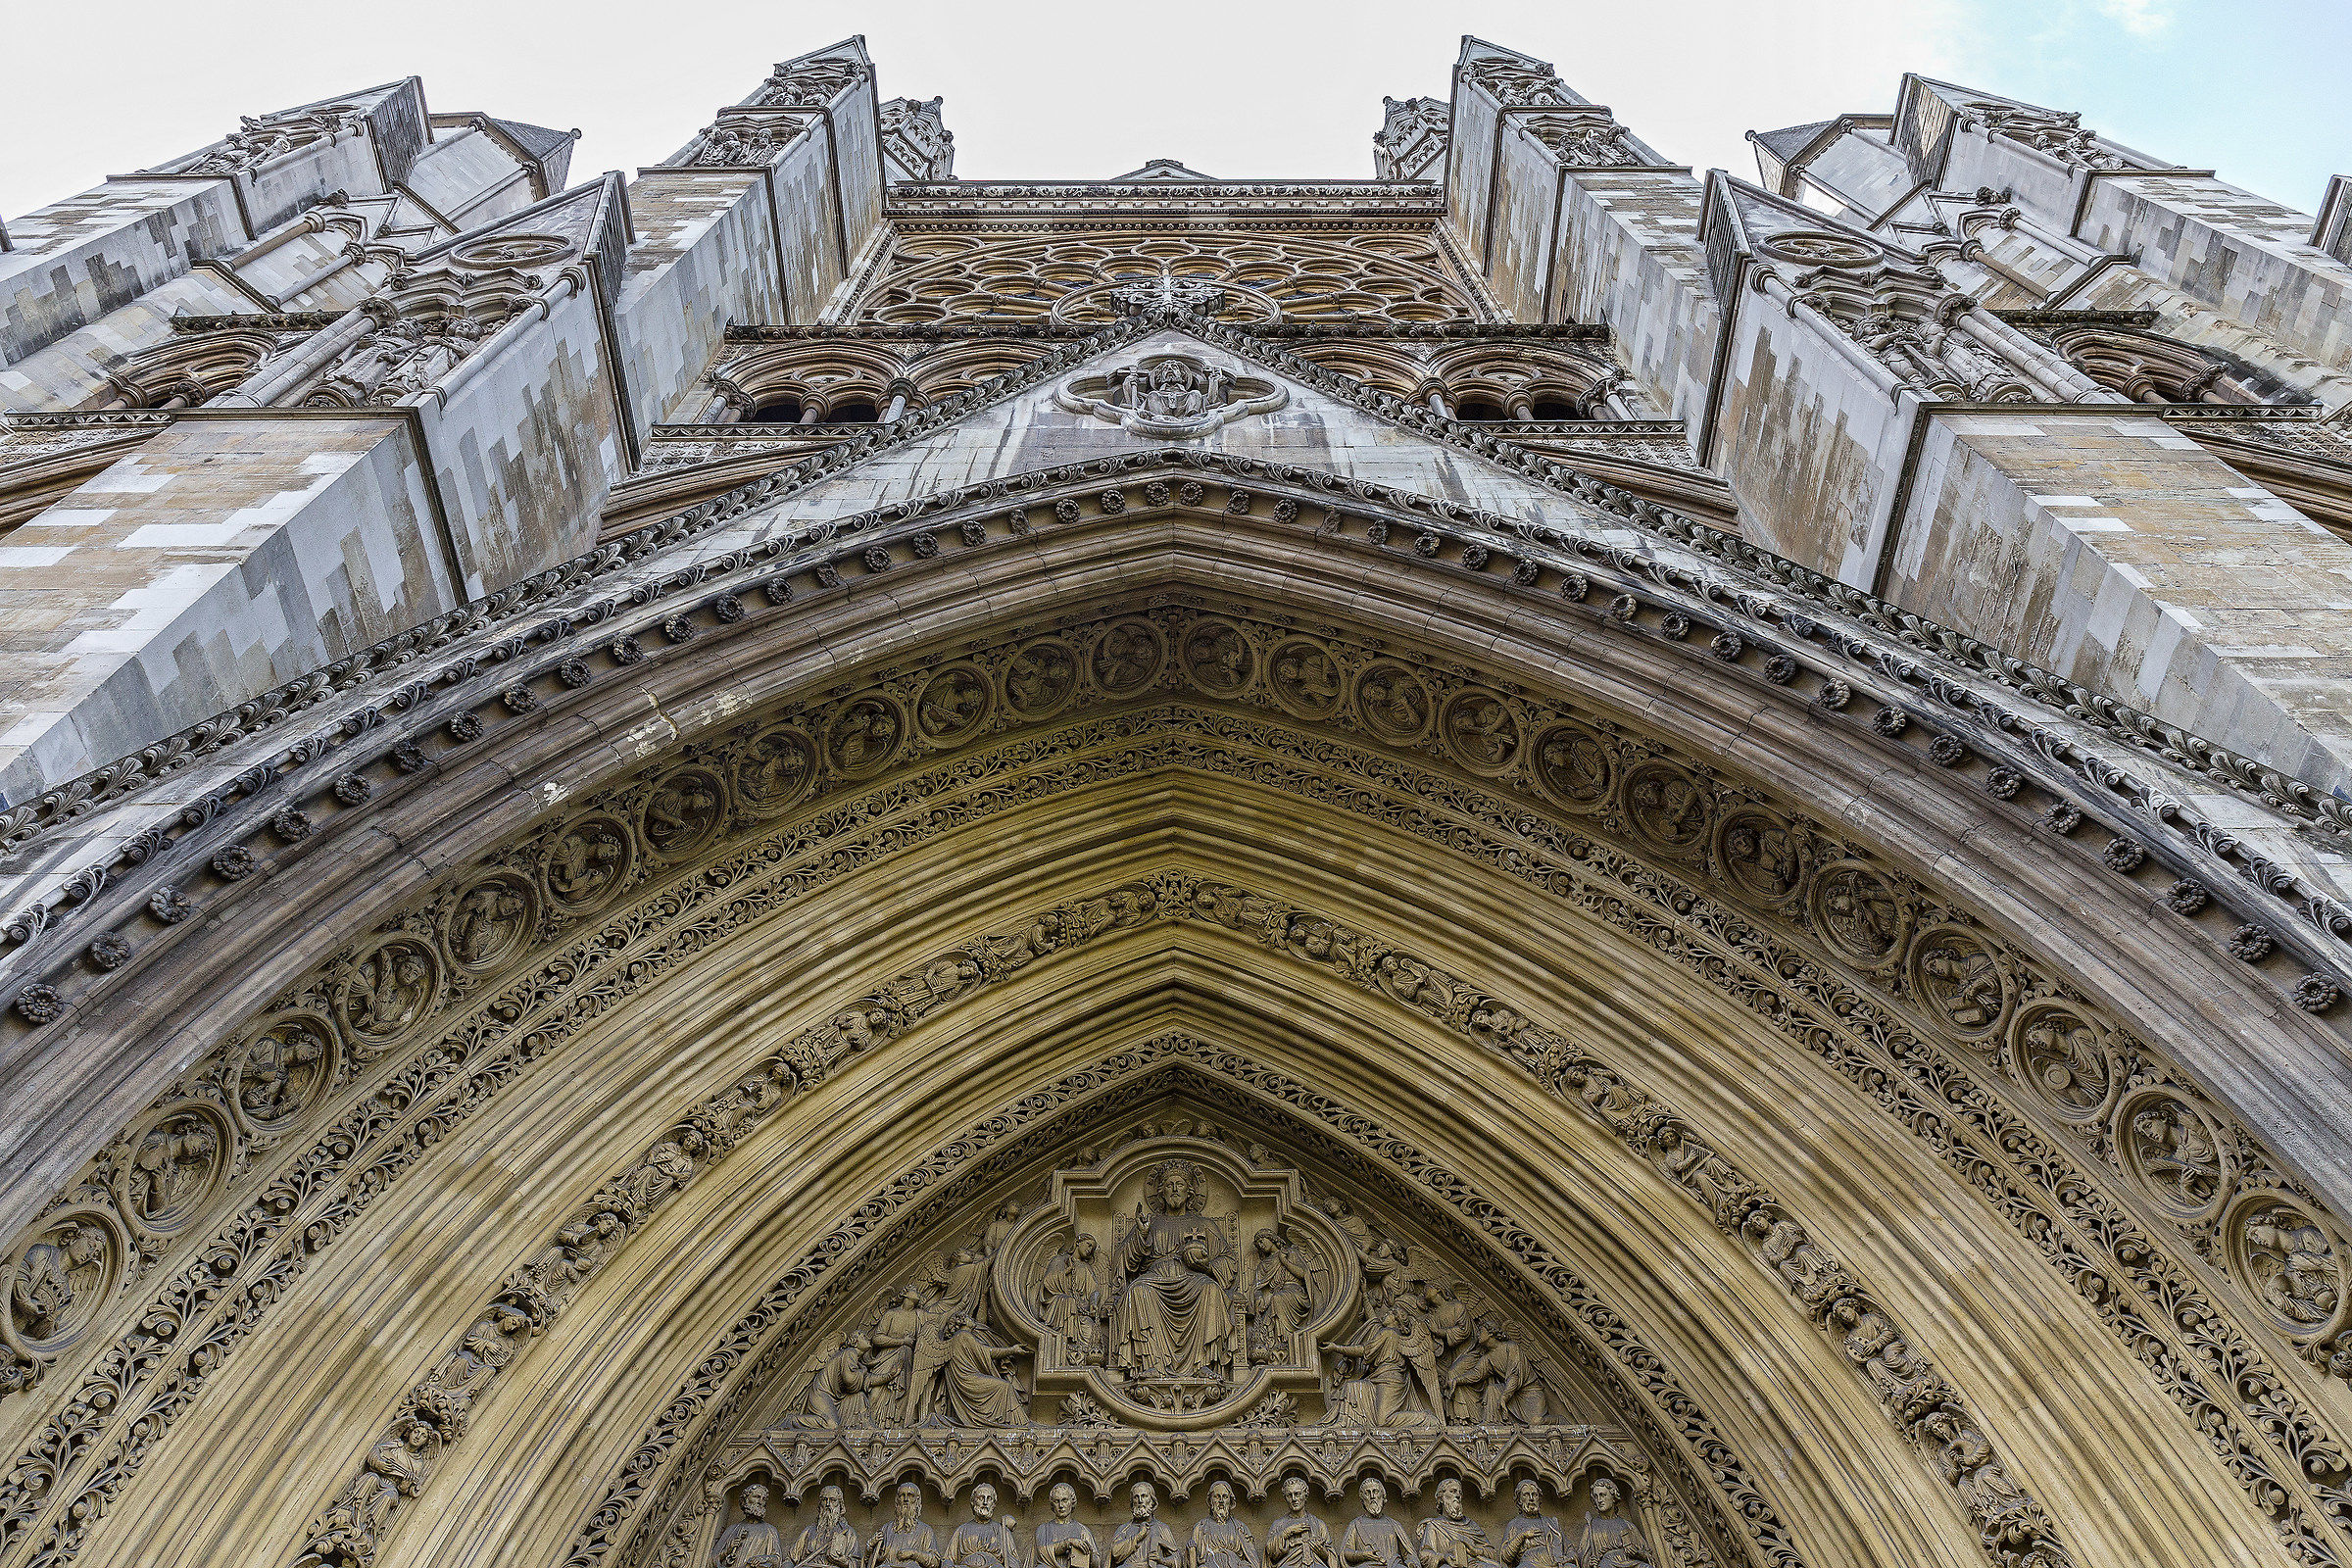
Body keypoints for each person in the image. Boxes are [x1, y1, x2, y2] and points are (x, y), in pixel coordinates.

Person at [1110, 1161, 1237, 1382]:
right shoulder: (1150, 1222)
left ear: (1189, 1193)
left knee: (1211, 1289)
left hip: (1192, 1278)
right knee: (1137, 1291)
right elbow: (1124, 1260)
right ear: (1161, 1192)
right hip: (1155, 1277)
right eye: (1169, 1185)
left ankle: (1204, 1363)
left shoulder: (1204, 1224)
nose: (1175, 1189)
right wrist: (1141, 1235)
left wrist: (1205, 1265)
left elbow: (1228, 1260)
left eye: (1180, 1184)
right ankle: (1151, 1364)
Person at [1413, 1479, 1501, 1568]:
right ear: (1441, 1498)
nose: (1458, 1495)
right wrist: (1443, 1557)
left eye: (1460, 1492)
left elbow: (1492, 1553)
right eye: (1452, 1491)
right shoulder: (1434, 1526)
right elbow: (1424, 1554)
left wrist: (1476, 1551)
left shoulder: (1470, 1525)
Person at [1340, 1478, 1414, 1568]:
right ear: (1362, 1500)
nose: (1372, 1496)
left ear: (1383, 1496)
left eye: (1375, 1492)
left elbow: (1408, 1553)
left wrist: (1411, 1563)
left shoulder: (1394, 1525)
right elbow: (1346, 1552)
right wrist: (1363, 1555)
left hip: (1393, 1565)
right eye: (1367, 1493)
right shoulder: (1355, 1524)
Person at [1266, 1474, 1338, 1568]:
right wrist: (1288, 1532)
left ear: (1306, 1495)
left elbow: (1332, 1556)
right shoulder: (1278, 1524)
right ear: (1285, 1498)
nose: (1294, 1499)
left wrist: (1324, 1553)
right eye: (1289, 1495)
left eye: (1297, 1494)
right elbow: (1270, 1552)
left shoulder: (1319, 1524)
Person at [1576, 1479, 1649, 1568]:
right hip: (1607, 1564)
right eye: (1596, 1496)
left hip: (1631, 1562)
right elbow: (1582, 1558)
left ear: (1613, 1496)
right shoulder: (1591, 1527)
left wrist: (1637, 1554)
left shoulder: (1628, 1525)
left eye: (1603, 1495)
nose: (1599, 1500)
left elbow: (1647, 1554)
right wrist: (1590, 1562)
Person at [1187, 1481, 1260, 1568]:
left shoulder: (1240, 1528)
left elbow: (1253, 1560)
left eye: (1225, 1497)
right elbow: (1192, 1558)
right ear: (1210, 1501)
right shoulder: (1200, 1527)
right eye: (1217, 1497)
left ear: (1230, 1501)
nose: (1221, 1501)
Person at [868, 1484, 944, 1568]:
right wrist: (870, 1546)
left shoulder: (925, 1531)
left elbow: (935, 1561)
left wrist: (913, 1554)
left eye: (910, 1495)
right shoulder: (886, 1529)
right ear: (897, 1500)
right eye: (902, 1495)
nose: (906, 1499)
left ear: (917, 1500)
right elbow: (873, 1561)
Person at [1111, 1482, 1182, 1568]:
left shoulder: (1162, 1528)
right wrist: (1139, 1536)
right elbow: (1115, 1553)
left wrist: (1161, 1560)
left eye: (1144, 1496)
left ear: (1152, 1501)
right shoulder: (1124, 1529)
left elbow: (1177, 1559)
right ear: (1132, 1502)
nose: (1140, 1501)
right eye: (1136, 1497)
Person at [951, 1484, 1020, 1568]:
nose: (985, 1503)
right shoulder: (962, 1530)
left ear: (994, 1504)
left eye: (989, 1499)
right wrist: (947, 1564)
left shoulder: (1002, 1531)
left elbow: (1014, 1562)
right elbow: (949, 1558)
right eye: (981, 1498)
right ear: (973, 1502)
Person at [1498, 1482, 1564, 1568]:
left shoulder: (1550, 1523)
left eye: (1535, 1495)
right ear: (1519, 1500)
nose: (1531, 1498)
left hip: (1555, 1562)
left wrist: (1568, 1558)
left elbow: (1568, 1547)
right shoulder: (1514, 1524)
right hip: (1529, 1563)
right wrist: (1522, 1536)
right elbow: (1506, 1557)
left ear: (1539, 1499)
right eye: (1526, 1495)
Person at [795, 1486, 862, 1568]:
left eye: (833, 1500)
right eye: (824, 1500)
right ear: (820, 1504)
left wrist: (844, 1562)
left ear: (840, 1505)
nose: (828, 1504)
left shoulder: (848, 1532)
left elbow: (858, 1564)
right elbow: (790, 1559)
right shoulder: (809, 1531)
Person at [1036, 1482, 1099, 1568]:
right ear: (1052, 1504)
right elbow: (1041, 1552)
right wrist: (1068, 1543)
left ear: (1072, 1502)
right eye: (1056, 1501)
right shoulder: (1043, 1529)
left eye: (1064, 1500)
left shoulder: (1083, 1530)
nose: (1061, 1505)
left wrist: (1089, 1553)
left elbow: (1096, 1563)